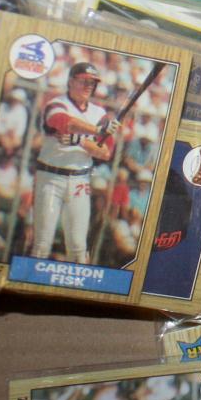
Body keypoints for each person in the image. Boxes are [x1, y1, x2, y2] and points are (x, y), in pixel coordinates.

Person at [32, 62, 120, 263]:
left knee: (78, 245)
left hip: (80, 180)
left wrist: (79, 141)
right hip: (50, 177)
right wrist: (97, 131)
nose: (89, 86)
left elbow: (105, 153)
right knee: (42, 243)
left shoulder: (99, 113)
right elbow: (65, 123)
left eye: (92, 83)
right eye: (84, 81)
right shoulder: (57, 103)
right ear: (71, 81)